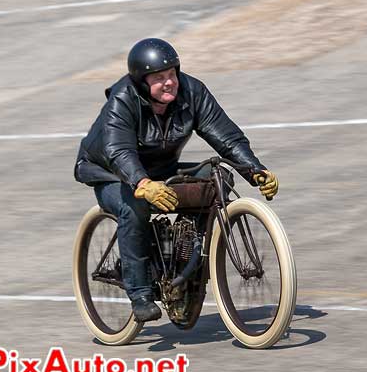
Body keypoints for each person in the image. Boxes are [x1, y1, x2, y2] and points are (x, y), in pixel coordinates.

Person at [74, 38, 279, 322]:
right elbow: (118, 151)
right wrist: (142, 184)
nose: (170, 82)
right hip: (110, 172)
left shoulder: (192, 91)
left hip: (161, 168)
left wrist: (255, 170)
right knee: (135, 206)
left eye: (172, 74)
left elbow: (226, 136)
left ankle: (184, 272)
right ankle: (140, 294)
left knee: (216, 179)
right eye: (159, 78)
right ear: (142, 82)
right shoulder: (122, 99)